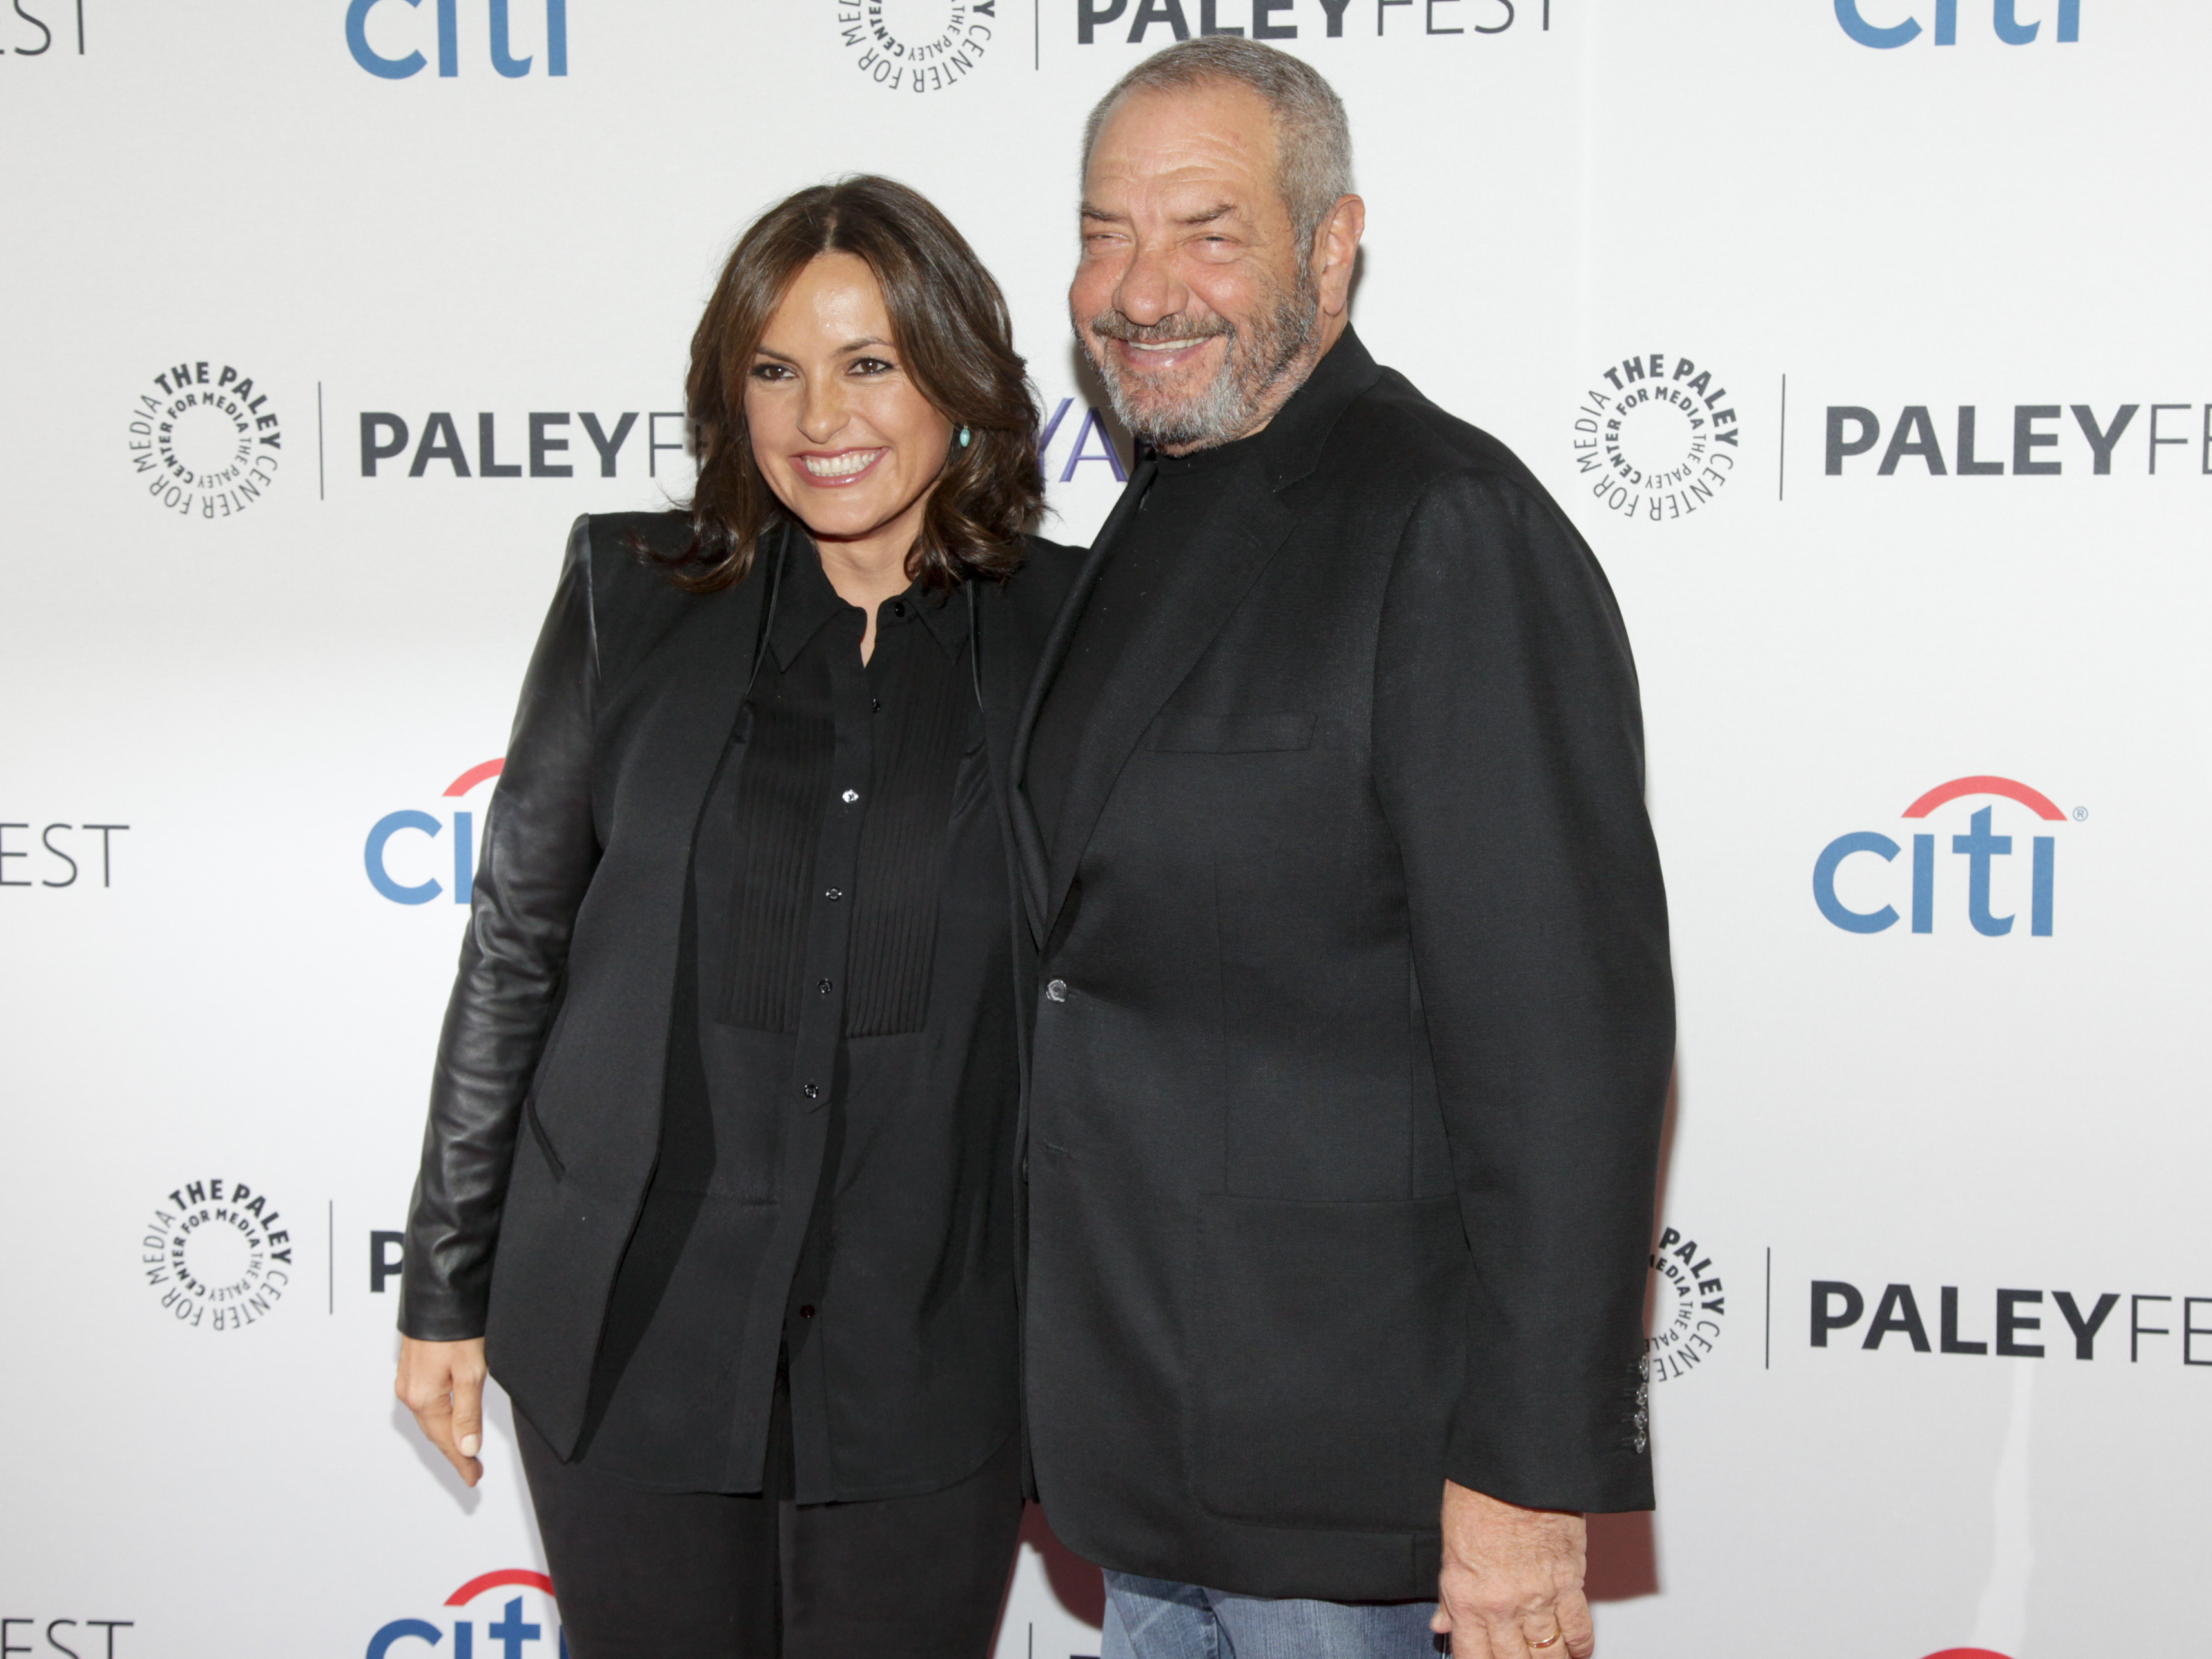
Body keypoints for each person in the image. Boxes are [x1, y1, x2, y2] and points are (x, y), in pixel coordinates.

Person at [1008, 39, 1675, 1659]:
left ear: (1331, 243)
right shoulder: (1145, 521)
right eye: (1106, 232)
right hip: (1146, 1468)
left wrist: (1525, 1486)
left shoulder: (1445, 526)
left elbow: (1565, 1056)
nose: (1141, 287)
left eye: (1207, 231)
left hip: (1357, 1499)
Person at [392, 175, 1081, 1659]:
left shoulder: (1070, 632)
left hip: (936, 1346)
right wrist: (444, 1287)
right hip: (634, 1333)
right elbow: (518, 945)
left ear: (958, 378)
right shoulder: (631, 597)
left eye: (869, 363)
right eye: (774, 368)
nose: (817, 414)